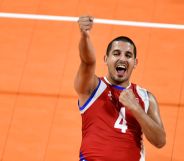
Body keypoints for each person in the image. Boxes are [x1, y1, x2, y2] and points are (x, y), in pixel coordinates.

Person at [74, 15, 166, 161]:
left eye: (128, 55)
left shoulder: (146, 97)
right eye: (116, 53)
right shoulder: (92, 87)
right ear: (106, 59)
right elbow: (87, 61)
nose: (122, 58)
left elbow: (160, 141)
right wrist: (85, 36)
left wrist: (136, 108)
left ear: (135, 63)